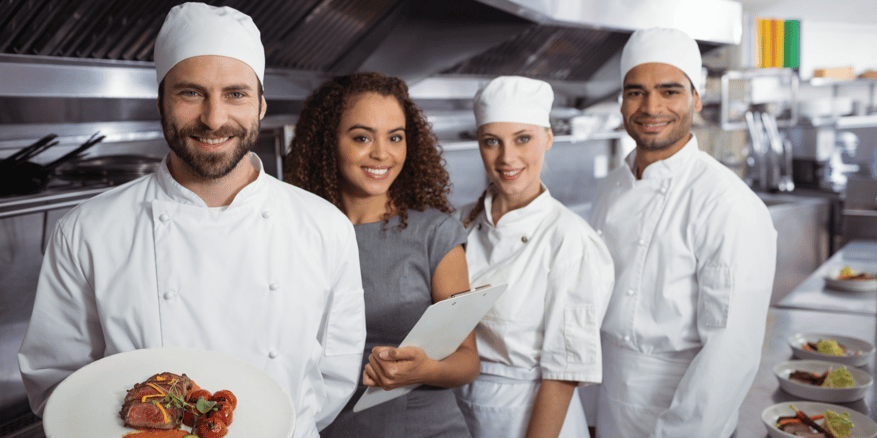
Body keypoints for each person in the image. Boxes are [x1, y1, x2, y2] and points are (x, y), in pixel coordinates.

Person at [17, 4, 366, 438]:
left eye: (235, 94)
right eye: (191, 93)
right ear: (161, 101)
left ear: (260, 105)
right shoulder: (87, 230)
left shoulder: (325, 227)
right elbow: (59, 385)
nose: (214, 118)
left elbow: (332, 379)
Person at [589, 27, 778, 437]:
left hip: (685, 413)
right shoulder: (608, 189)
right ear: (622, 101)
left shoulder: (727, 204)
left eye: (669, 91)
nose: (651, 106)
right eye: (636, 91)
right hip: (606, 404)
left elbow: (731, 352)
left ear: (696, 98)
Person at [285, 71, 479, 438]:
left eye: (395, 137)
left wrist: (425, 370)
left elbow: (468, 361)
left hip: (426, 428)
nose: (382, 154)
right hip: (324, 428)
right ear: (328, 142)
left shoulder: (435, 233)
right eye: (362, 137)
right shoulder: (297, 231)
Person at [452, 76, 615, 438]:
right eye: (491, 141)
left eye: (522, 139)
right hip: (459, 415)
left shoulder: (569, 240)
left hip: (536, 419)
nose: (507, 157)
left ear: (548, 139)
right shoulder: (457, 224)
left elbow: (563, 373)